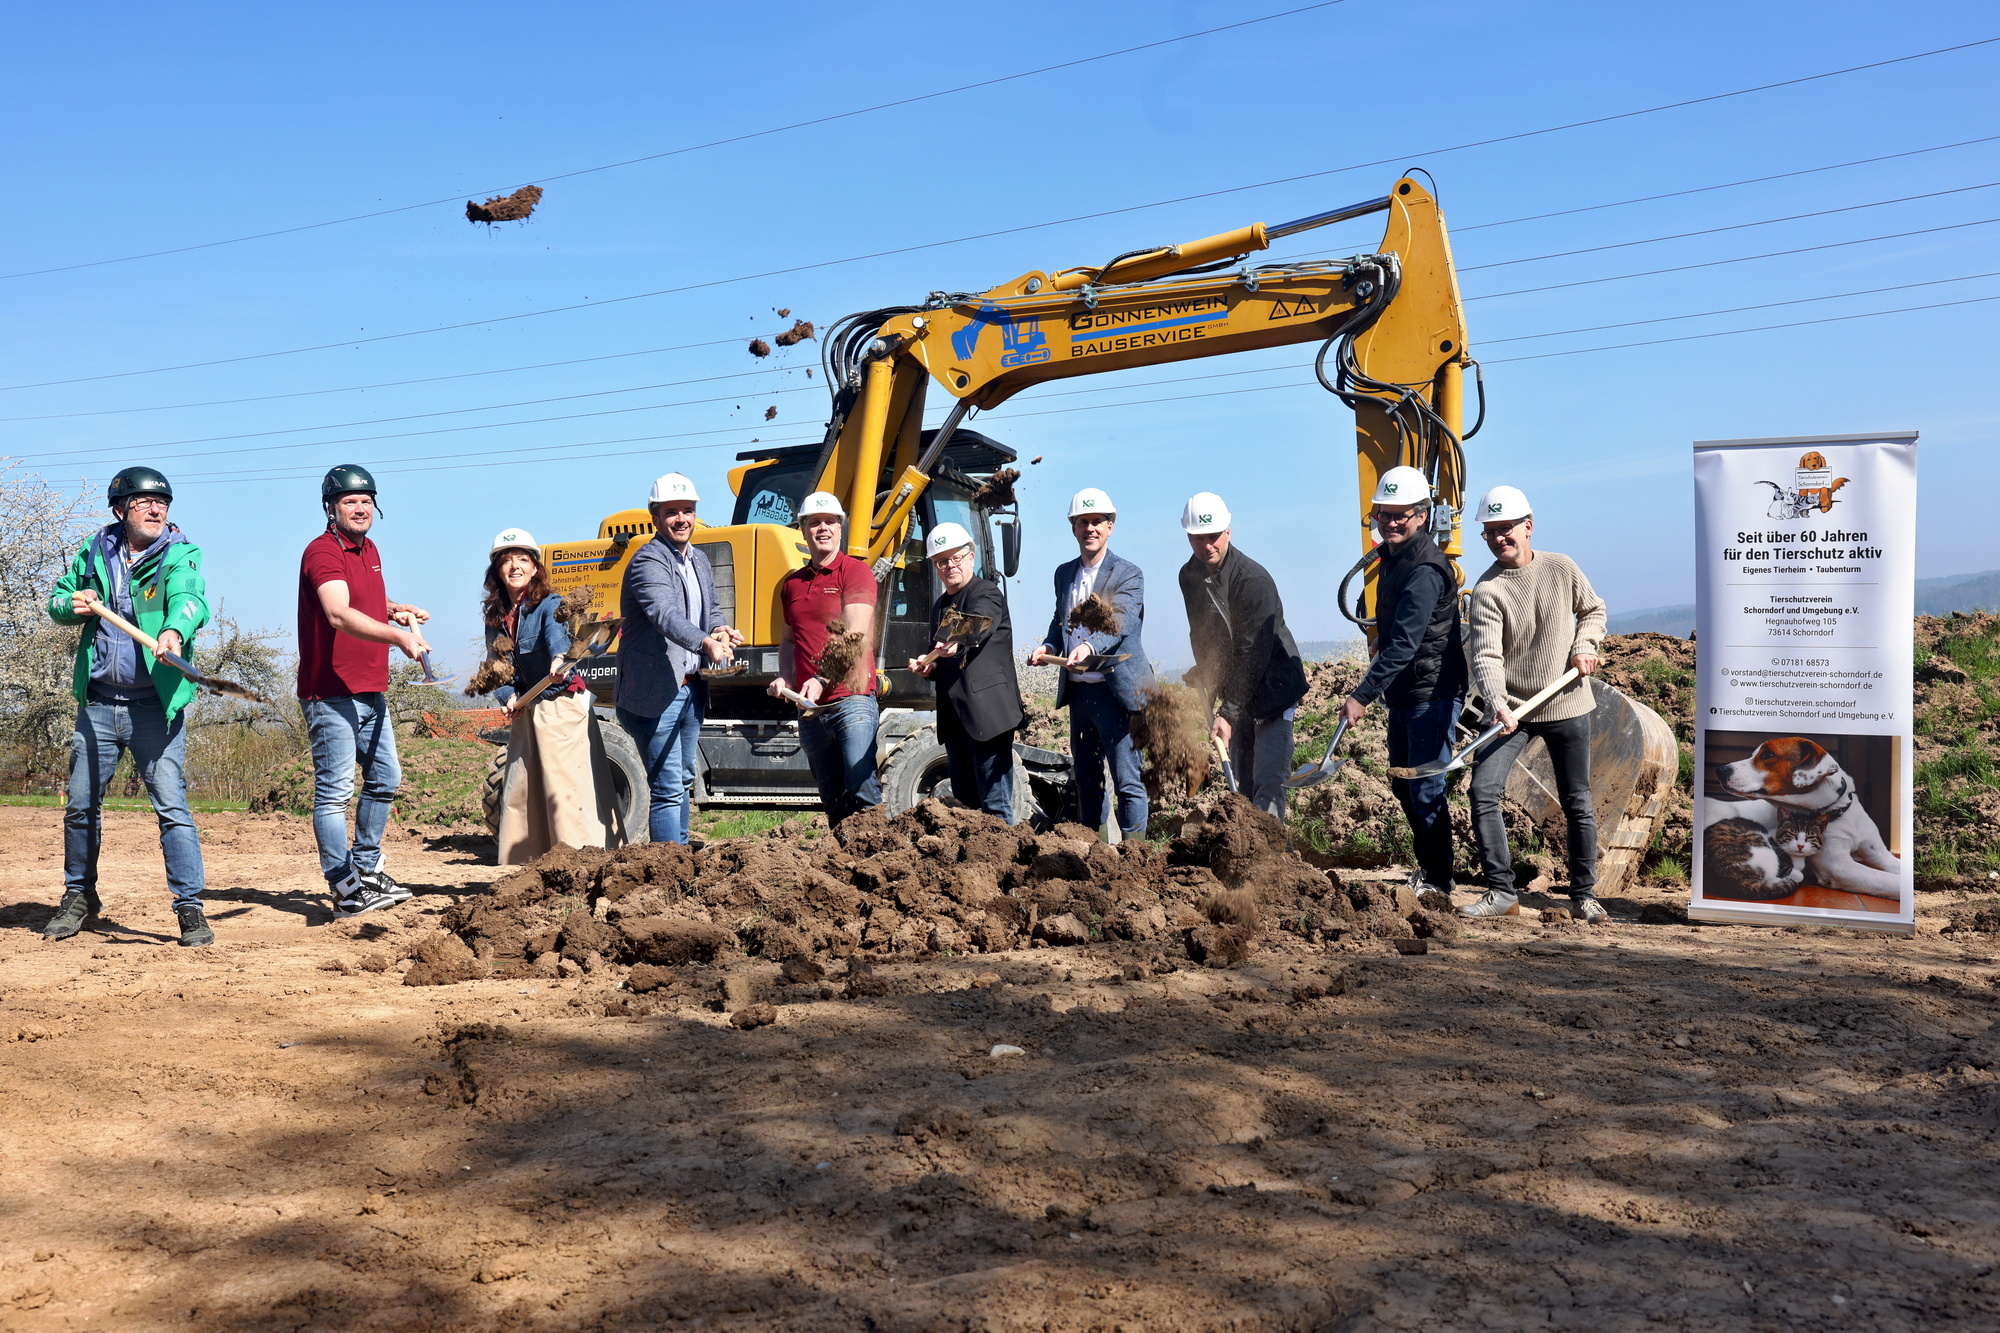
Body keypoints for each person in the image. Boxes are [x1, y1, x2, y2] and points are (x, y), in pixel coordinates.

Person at [43, 467, 215, 947]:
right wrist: (73, 604)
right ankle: (79, 896)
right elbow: (58, 600)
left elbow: (191, 598)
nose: (156, 509)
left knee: (173, 808)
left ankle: (189, 907)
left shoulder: (179, 554)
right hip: (98, 705)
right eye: (144, 502)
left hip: (154, 710)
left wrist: (174, 630)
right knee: (80, 806)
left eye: (163, 502)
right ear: (121, 509)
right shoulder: (95, 550)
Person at [1458, 485, 1609, 922]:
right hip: (1512, 711)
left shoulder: (1561, 567)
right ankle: (1501, 894)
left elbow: (1593, 611)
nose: (1498, 538)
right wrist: (1497, 703)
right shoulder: (1488, 590)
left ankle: (1583, 896)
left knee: (1576, 800)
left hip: (1567, 703)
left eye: (1505, 528)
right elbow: (1486, 656)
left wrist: (1585, 645)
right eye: (1489, 532)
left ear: (1528, 526)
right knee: (1483, 789)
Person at [298, 464, 431, 918]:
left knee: (385, 778)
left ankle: (368, 870)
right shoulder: (322, 551)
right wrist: (399, 637)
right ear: (330, 508)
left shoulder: (369, 549)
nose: (360, 508)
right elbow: (337, 611)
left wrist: (392, 609)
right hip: (330, 692)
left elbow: (358, 597)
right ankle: (344, 888)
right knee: (335, 793)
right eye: (350, 501)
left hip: (370, 687)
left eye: (367, 500)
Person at [1337, 466, 1467, 900]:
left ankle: (1439, 881)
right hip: (1406, 692)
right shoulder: (1393, 557)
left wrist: (1361, 696)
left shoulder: (1425, 568)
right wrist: (1381, 635)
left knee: (1425, 787)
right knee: (1401, 783)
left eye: (1400, 515)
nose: (1390, 523)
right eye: (1384, 515)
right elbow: (1399, 628)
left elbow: (1407, 645)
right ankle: (1429, 868)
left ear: (1422, 515)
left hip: (1432, 692)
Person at [617, 472, 741, 844]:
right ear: (655, 517)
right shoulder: (648, 561)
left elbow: (711, 609)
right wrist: (706, 643)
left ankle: (679, 858)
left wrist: (719, 629)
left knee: (683, 779)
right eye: (672, 512)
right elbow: (665, 615)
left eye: (687, 510)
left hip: (690, 689)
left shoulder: (698, 559)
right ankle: (668, 867)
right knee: (668, 787)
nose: (681, 519)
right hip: (656, 693)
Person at [1029, 488, 1155, 838]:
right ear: (1073, 528)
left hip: (1119, 694)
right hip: (1081, 695)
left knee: (1128, 781)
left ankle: (1135, 856)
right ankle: (1094, 851)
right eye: (1083, 522)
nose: (1090, 528)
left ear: (1110, 527)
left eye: (1097, 521)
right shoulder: (1064, 574)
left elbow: (1122, 621)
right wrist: (1049, 645)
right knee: (1087, 780)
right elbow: (1061, 620)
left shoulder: (1128, 573)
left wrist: (1088, 647)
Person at [483, 528, 612, 864]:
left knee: (564, 791)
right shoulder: (496, 617)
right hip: (527, 707)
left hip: (560, 705)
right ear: (497, 570)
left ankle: (580, 861)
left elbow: (557, 638)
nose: (515, 566)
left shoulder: (549, 604)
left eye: (522, 560)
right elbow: (497, 665)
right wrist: (507, 696)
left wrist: (559, 659)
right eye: (507, 561)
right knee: (521, 790)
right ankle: (526, 865)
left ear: (534, 567)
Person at [1179, 491, 1308, 822]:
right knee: (1243, 788)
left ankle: (1272, 852)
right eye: (1198, 538)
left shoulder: (1252, 581)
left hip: (1273, 688)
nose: (1207, 545)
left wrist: (1228, 713)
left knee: (1268, 782)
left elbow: (1253, 652)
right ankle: (1248, 848)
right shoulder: (1189, 576)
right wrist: (1206, 671)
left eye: (1213, 536)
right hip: (1238, 689)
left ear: (1228, 531)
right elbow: (1203, 634)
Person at [770, 491, 881, 826]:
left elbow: (854, 637)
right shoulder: (791, 584)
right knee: (832, 796)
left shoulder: (856, 572)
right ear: (803, 530)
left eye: (830, 522)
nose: (823, 529)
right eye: (814, 523)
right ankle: (841, 855)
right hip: (811, 709)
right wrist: (785, 678)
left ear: (840, 528)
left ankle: (880, 849)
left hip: (852, 699)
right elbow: (788, 641)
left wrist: (820, 680)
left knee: (860, 783)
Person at [909, 522, 1024, 822]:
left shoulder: (986, 593)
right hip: (956, 720)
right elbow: (942, 656)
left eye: (956, 558)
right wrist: (929, 666)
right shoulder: (940, 605)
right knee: (966, 807)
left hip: (988, 717)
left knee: (995, 805)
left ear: (971, 557)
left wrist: (955, 642)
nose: (950, 566)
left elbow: (979, 621)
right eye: (941, 561)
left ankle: (1004, 852)